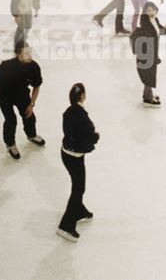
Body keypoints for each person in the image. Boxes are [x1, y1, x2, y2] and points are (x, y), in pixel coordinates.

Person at [0, 40, 45, 160]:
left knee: (29, 115)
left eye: (30, 53)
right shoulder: (7, 66)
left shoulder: (34, 67)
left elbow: (36, 86)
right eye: (26, 53)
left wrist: (32, 104)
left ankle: (31, 135)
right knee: (11, 120)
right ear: (18, 54)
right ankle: (10, 144)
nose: (29, 56)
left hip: (21, 94)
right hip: (5, 95)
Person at [57, 83, 98, 242]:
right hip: (75, 156)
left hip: (66, 152)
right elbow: (87, 137)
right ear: (82, 96)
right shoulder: (83, 118)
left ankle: (79, 210)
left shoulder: (68, 112)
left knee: (78, 185)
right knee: (78, 188)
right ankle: (66, 225)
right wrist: (96, 137)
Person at [131, 1, 166, 106]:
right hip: (147, 54)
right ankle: (148, 99)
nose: (151, 11)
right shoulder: (145, 23)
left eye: (152, 9)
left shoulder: (155, 20)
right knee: (148, 74)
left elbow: (159, 32)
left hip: (153, 53)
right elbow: (147, 36)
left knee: (150, 74)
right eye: (148, 10)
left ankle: (148, 94)